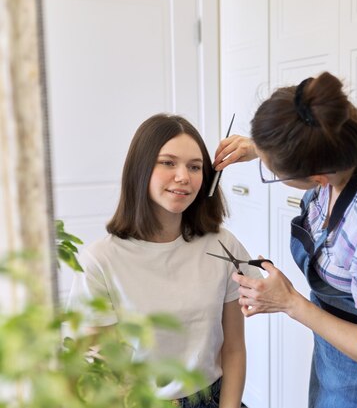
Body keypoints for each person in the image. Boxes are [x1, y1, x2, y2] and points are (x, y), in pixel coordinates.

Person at [213, 72, 357, 408]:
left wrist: (290, 302)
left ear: (319, 177)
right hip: (347, 326)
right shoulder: (346, 132)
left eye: (273, 170)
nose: (268, 169)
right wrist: (261, 146)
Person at [66, 113, 258, 408]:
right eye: (168, 163)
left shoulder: (223, 245)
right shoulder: (100, 261)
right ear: (140, 170)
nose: (183, 176)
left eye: (195, 167)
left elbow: (233, 349)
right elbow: (96, 370)